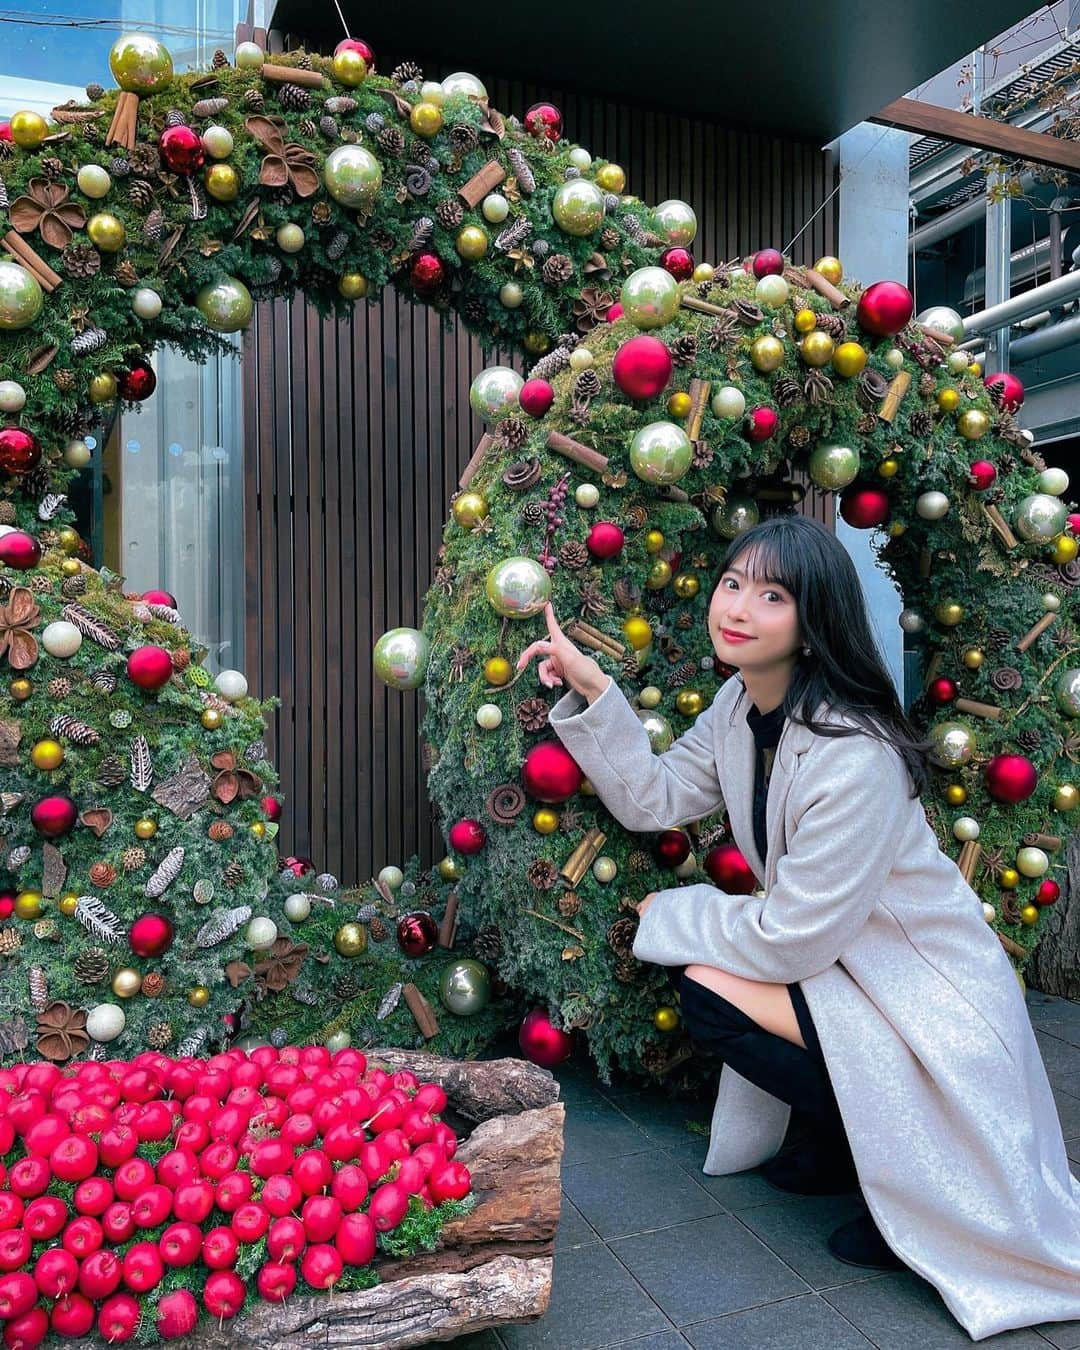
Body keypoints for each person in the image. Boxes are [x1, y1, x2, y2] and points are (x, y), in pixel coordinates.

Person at [516, 514, 1080, 1343]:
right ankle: (843, 1142)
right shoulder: (740, 704)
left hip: (925, 996)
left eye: (772, 594)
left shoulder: (854, 753)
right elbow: (655, 798)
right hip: (845, 968)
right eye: (734, 583)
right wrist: (598, 693)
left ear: (813, 622)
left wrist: (671, 913)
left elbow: (788, 942)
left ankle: (912, 1192)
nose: (738, 607)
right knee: (707, 985)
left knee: (706, 983)